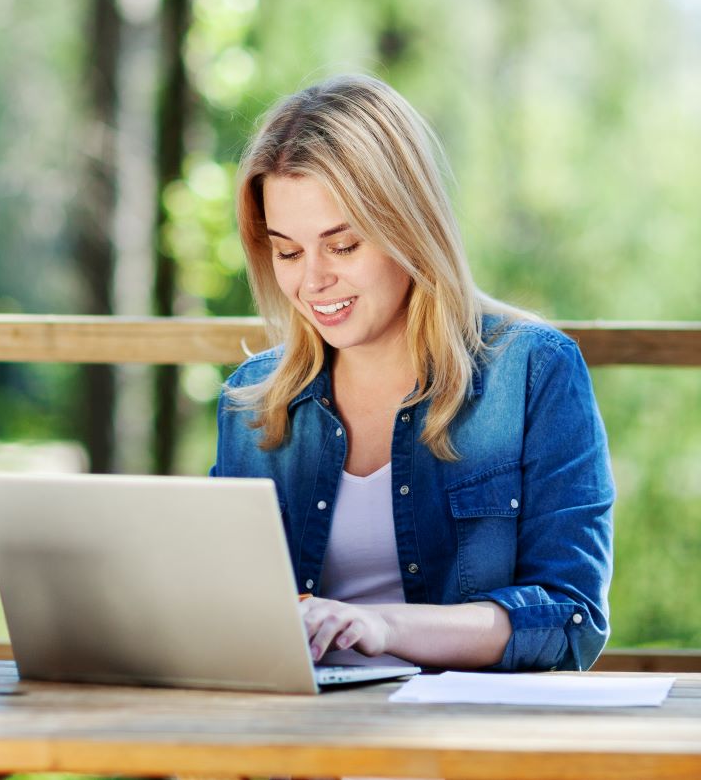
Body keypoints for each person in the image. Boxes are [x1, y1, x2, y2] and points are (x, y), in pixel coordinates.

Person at [212, 73, 613, 673]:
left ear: (408, 228)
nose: (312, 280)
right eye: (288, 252)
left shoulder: (533, 372)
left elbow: (567, 617)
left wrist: (380, 626)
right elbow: (221, 608)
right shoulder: (253, 400)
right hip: (297, 747)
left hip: (456, 751)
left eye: (342, 246)